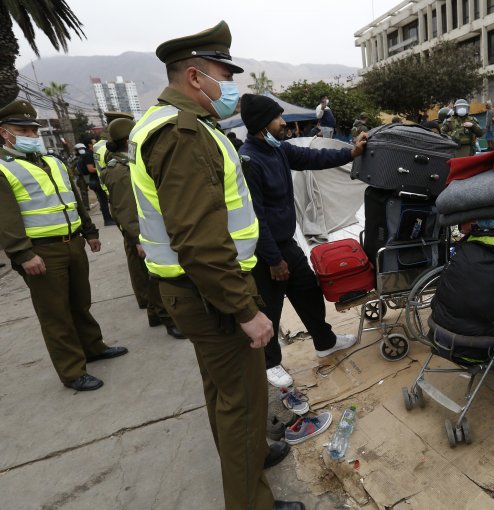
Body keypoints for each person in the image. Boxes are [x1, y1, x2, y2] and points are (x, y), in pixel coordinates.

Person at [130, 21, 301, 510]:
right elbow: (200, 242)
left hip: (192, 290)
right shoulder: (183, 134)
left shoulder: (169, 124)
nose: (232, 87)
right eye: (224, 75)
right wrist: (245, 309)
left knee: (224, 393)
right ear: (193, 76)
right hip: (211, 292)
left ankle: (246, 456)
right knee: (243, 404)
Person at [0, 99, 127, 391]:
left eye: (33, 130)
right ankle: (72, 370)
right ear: (5, 133)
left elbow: (73, 199)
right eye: (24, 130)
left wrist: (90, 231)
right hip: (41, 251)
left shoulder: (52, 161)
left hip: (72, 243)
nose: (32, 136)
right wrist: (23, 253)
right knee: (55, 312)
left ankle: (93, 347)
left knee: (80, 302)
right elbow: (1, 218)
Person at [238, 93, 363, 388]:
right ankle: (270, 364)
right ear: (261, 124)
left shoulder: (277, 150)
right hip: (265, 251)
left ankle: (325, 341)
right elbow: (255, 217)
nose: (284, 123)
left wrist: (350, 154)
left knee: (307, 290)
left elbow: (311, 157)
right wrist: (273, 259)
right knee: (269, 309)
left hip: (286, 243)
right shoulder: (249, 161)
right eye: (277, 118)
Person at [97, 118, 183, 339]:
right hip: (140, 232)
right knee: (154, 277)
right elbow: (126, 208)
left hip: (142, 229)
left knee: (150, 274)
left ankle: (155, 314)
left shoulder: (128, 162)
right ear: (128, 139)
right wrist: (138, 239)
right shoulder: (120, 170)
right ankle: (168, 319)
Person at [76, 140, 115, 226]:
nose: (96, 143)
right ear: (89, 144)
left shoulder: (92, 153)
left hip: (96, 180)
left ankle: (109, 218)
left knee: (103, 200)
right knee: (103, 200)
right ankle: (107, 219)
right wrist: (104, 168)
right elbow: (91, 168)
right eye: (94, 142)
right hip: (95, 180)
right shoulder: (89, 155)